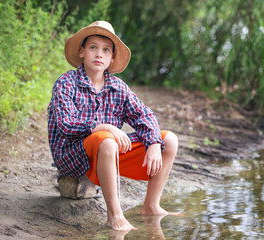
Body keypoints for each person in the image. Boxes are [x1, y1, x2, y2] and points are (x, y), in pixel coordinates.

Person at [47, 21, 178, 231]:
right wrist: (104, 126)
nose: (99, 54)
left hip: (108, 155)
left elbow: (144, 115)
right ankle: (114, 216)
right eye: (93, 47)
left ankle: (151, 206)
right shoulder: (66, 83)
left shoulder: (118, 87)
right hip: (73, 155)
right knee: (107, 140)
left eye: (106, 50)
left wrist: (153, 143)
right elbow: (66, 125)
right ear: (81, 51)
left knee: (168, 140)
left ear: (112, 58)